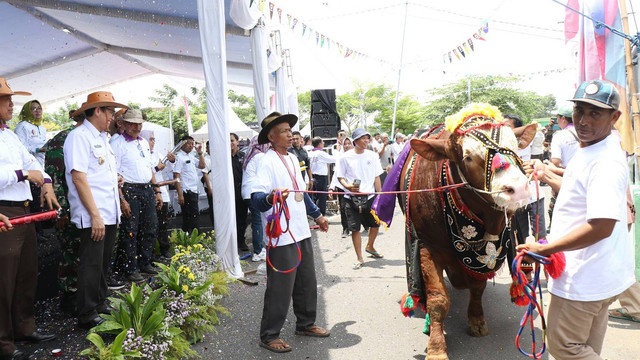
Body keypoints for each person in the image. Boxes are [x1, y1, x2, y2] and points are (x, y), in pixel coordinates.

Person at [518, 80, 635, 359]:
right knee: (589, 347)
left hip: (585, 276)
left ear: (614, 117)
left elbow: (602, 226)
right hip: (602, 273)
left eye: (595, 113)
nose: (583, 120)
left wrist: (545, 250)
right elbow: (576, 191)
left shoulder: (604, 161)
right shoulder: (593, 147)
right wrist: (545, 173)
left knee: (565, 347)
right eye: (579, 111)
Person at [251, 112, 330, 353]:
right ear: (272, 136)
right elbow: (256, 201)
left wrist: (317, 215)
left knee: (307, 281)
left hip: (300, 230)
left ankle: (305, 324)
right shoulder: (265, 161)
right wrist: (270, 196)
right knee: (280, 286)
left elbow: (300, 193)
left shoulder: (294, 159)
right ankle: (269, 334)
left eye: (290, 130)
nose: (290, 134)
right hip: (280, 234)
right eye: (284, 131)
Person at [0, 79, 58, 360]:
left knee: (25, 274)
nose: (12, 104)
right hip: (4, 211)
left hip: (23, 209)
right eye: (5, 99)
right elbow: (21, 170)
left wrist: (45, 180)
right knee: (3, 280)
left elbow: (33, 161)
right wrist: (23, 175)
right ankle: (3, 343)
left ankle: (25, 328)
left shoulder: (10, 135)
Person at [64, 91, 128, 330]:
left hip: (108, 211)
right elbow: (79, 177)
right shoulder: (79, 136)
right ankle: (87, 312)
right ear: (98, 110)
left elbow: (99, 174)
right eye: (110, 111)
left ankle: (99, 303)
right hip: (94, 213)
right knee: (91, 264)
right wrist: (95, 215)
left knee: (102, 262)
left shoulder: (102, 139)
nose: (112, 116)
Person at [111, 110, 163, 282]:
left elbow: (149, 168)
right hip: (129, 190)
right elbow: (113, 173)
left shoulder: (144, 142)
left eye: (139, 124)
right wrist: (122, 199)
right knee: (130, 231)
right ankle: (129, 268)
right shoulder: (116, 143)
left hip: (147, 189)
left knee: (150, 226)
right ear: (123, 124)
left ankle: (145, 262)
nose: (137, 127)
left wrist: (156, 190)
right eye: (133, 123)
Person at [336, 128, 383, 269]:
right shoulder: (344, 157)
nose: (366, 140)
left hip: (369, 196)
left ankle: (370, 246)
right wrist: (348, 186)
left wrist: (379, 195)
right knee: (355, 229)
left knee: (375, 224)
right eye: (363, 138)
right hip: (351, 198)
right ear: (355, 141)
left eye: (367, 138)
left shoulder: (372, 156)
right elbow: (340, 177)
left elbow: (376, 177)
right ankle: (360, 258)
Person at [503, 115, 546, 244]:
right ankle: (522, 261)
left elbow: (536, 131)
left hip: (533, 195)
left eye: (507, 127)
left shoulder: (528, 139)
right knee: (519, 236)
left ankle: (543, 259)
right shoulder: (500, 144)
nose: (504, 130)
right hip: (516, 197)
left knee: (540, 235)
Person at [15, 100, 48, 239]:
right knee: (33, 201)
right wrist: (38, 149)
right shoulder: (22, 126)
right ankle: (34, 234)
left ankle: (39, 232)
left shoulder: (42, 128)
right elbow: (19, 148)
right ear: (27, 111)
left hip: (41, 168)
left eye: (39, 108)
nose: (37, 111)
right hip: (28, 171)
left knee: (39, 202)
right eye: (33, 109)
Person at [140, 130, 175, 260]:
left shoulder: (157, 153)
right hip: (149, 192)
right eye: (150, 139)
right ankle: (151, 254)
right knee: (150, 225)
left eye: (154, 139)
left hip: (162, 193)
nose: (153, 142)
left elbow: (170, 168)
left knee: (163, 223)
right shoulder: (142, 154)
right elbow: (145, 173)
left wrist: (172, 160)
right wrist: (156, 168)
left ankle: (164, 249)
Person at [241, 135, 269, 262]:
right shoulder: (260, 156)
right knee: (258, 221)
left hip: (247, 192)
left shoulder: (251, 154)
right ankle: (258, 252)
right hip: (253, 192)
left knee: (256, 221)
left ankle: (258, 248)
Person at [173, 135, 205, 234]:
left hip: (194, 190)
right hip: (186, 191)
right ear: (182, 144)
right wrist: (180, 194)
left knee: (194, 215)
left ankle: (191, 237)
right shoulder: (179, 157)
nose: (191, 146)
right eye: (188, 143)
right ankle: (191, 237)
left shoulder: (190, 156)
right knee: (189, 216)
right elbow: (176, 176)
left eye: (192, 144)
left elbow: (201, 165)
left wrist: (200, 153)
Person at [329, 136, 354, 238]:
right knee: (343, 208)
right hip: (342, 186)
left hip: (354, 186)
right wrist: (331, 187)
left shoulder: (357, 156)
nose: (347, 146)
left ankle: (364, 224)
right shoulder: (340, 158)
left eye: (349, 143)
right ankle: (345, 229)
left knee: (357, 206)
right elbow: (336, 174)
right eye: (345, 144)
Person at [230, 133, 250, 253]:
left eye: (232, 140)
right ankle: (232, 242)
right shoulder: (224, 158)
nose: (230, 143)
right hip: (229, 193)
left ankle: (241, 241)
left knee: (242, 218)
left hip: (242, 192)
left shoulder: (243, 156)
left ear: (237, 142)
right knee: (231, 219)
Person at [308, 136, 336, 216]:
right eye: (322, 142)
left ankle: (314, 214)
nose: (323, 144)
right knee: (321, 197)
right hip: (321, 177)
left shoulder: (309, 153)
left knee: (314, 197)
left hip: (312, 177)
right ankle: (320, 215)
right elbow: (333, 159)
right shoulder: (321, 153)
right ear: (319, 144)